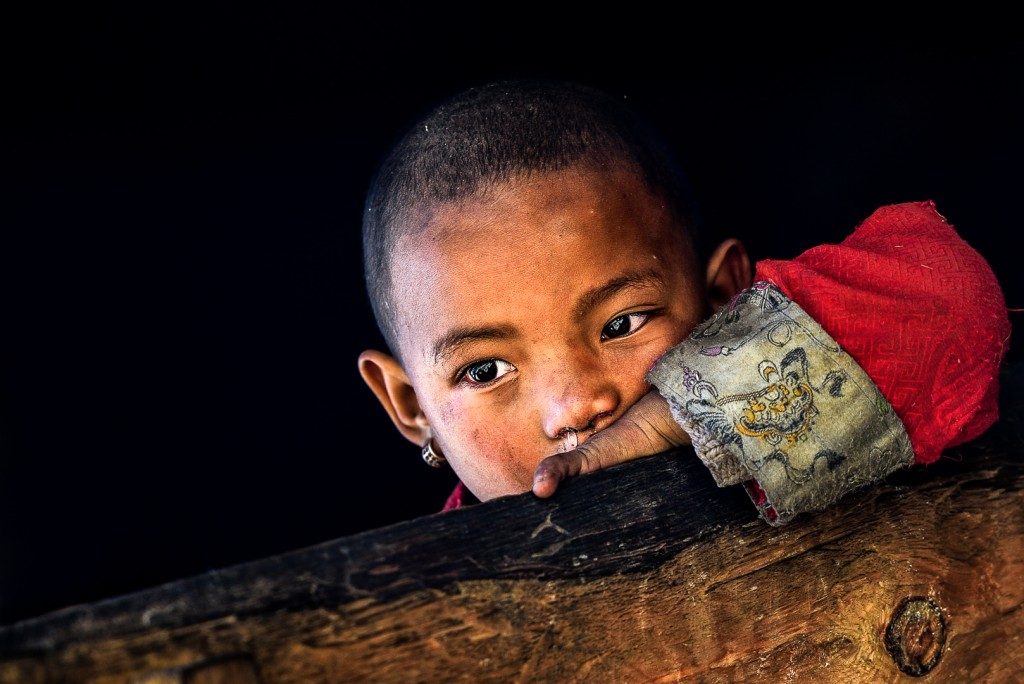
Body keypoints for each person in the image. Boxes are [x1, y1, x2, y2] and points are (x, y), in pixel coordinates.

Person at [357, 78, 1011, 525]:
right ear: (411, 406)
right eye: (485, 371)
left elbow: (953, 303)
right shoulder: (427, 614)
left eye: (622, 323)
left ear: (727, 296)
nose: (574, 407)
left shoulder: (787, 438)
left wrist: (684, 411)